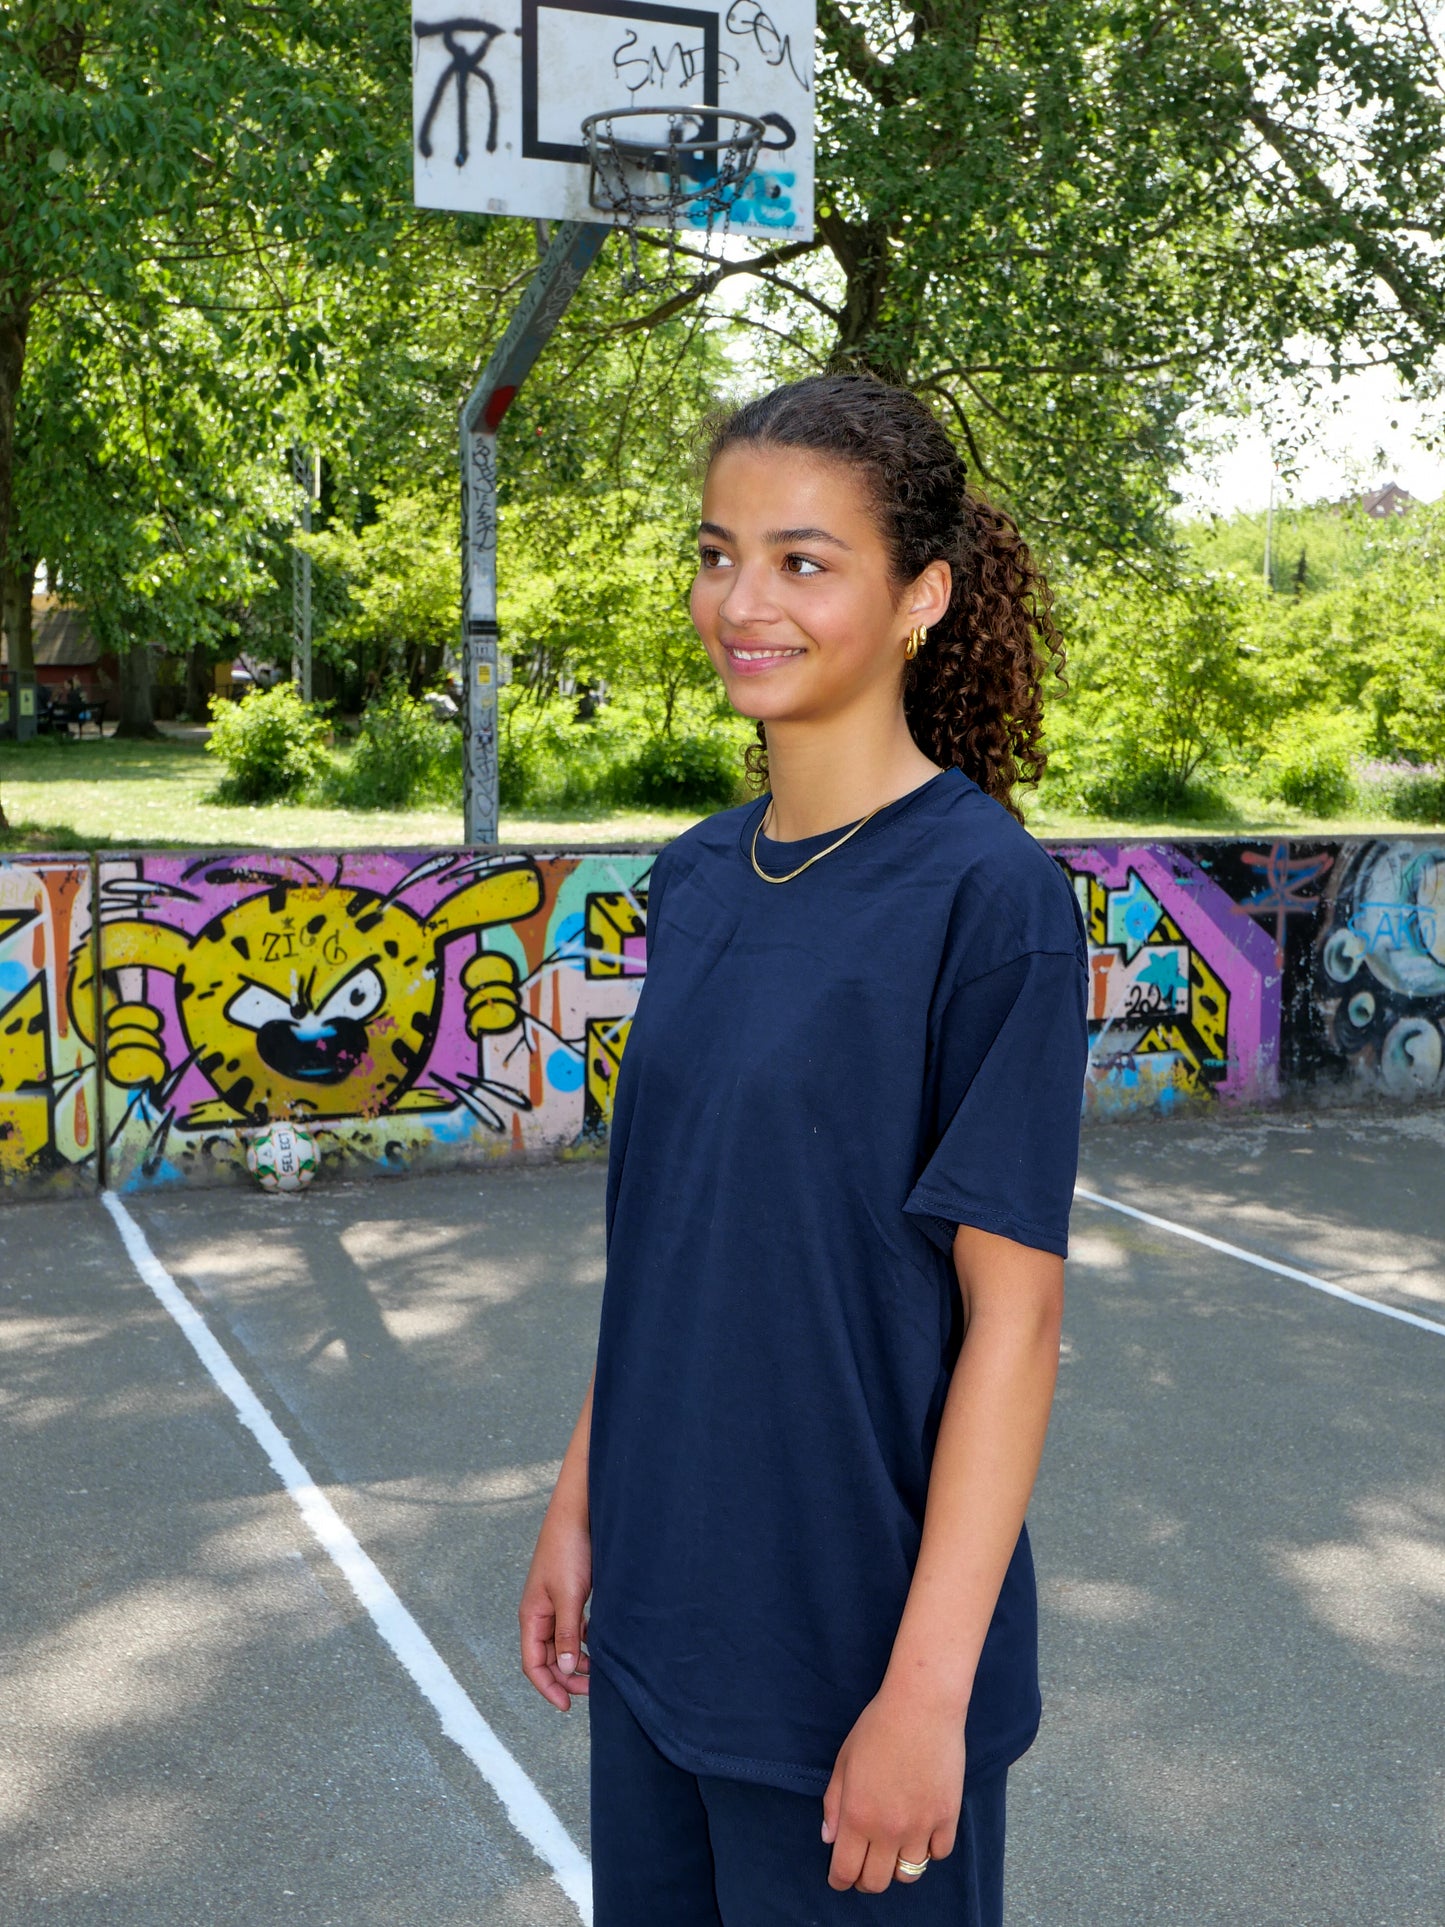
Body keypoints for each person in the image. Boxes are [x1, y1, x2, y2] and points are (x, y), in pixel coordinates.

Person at [520, 373, 1090, 1924]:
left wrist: (925, 1699)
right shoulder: (697, 877)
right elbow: (674, 1241)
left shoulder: (987, 901)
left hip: (852, 1654)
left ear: (920, 597)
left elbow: (1014, 1323)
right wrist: (581, 1505)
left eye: (801, 561)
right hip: (662, 1617)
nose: (741, 603)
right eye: (717, 555)